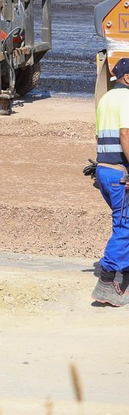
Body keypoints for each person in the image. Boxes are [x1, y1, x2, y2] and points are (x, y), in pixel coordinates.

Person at [91, 58, 129, 306]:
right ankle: (106, 283)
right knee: (124, 227)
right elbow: (125, 133)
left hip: (104, 169)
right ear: (127, 77)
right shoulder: (126, 99)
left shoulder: (105, 99)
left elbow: (98, 134)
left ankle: (123, 277)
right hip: (119, 173)